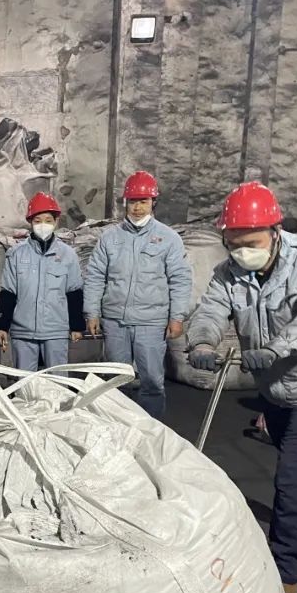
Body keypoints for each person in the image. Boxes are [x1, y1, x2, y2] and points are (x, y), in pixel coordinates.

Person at [186, 181, 297, 593]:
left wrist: (277, 348)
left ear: (275, 232)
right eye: (234, 244)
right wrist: (201, 342)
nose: (243, 252)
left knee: (291, 472)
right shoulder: (229, 273)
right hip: (274, 386)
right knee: (296, 458)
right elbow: (211, 310)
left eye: (252, 243)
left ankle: (285, 573)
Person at [83, 170, 191, 419]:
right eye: (133, 201)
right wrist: (92, 312)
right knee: (116, 381)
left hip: (150, 323)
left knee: (151, 382)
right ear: (125, 203)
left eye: (143, 201)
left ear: (154, 202)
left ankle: (150, 430)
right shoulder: (110, 238)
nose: (138, 207)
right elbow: (96, 275)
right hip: (115, 321)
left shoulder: (168, 238)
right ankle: (120, 427)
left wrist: (177, 317)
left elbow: (180, 279)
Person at [0, 192, 84, 371]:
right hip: (23, 331)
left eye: (48, 220)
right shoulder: (16, 254)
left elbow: (74, 292)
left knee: (57, 382)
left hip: (55, 331)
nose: (43, 225)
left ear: (56, 221)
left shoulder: (67, 254)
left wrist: (76, 326)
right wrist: (2, 326)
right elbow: (8, 293)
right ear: (30, 222)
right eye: (37, 220)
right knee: (25, 383)